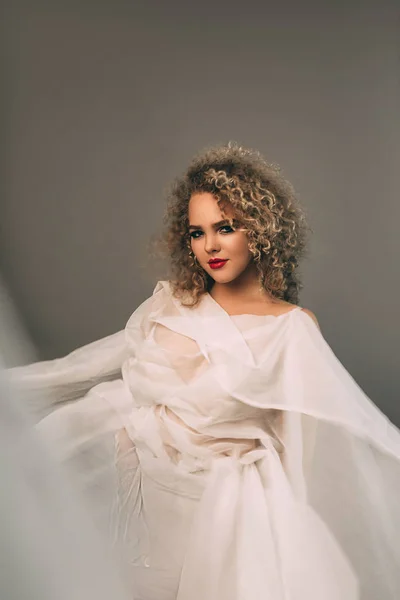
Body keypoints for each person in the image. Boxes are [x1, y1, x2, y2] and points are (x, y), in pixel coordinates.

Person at [10, 142, 400, 600]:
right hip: (145, 514)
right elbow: (91, 371)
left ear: (259, 230)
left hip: (231, 522)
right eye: (197, 232)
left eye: (225, 228)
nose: (210, 246)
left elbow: (307, 452)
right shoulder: (172, 305)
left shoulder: (291, 329)